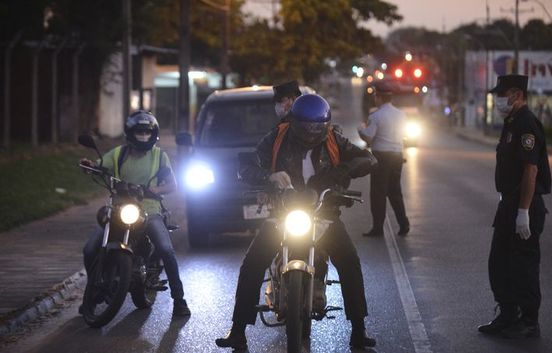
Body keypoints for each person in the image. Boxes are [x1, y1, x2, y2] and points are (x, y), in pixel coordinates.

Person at [215, 94, 378, 350]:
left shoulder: (334, 139)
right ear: (294, 122)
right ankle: (237, 330)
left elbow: (368, 159)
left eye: (317, 127)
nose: (311, 132)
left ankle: (358, 329)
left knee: (349, 261)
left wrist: (335, 175)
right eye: (306, 127)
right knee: (252, 263)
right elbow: (245, 167)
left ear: (325, 125)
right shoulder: (277, 137)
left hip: (324, 214)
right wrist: (270, 176)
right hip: (282, 213)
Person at [80, 110, 191, 317]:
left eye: (146, 133)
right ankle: (92, 293)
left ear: (153, 134)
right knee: (89, 249)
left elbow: (172, 184)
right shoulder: (118, 154)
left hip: (149, 210)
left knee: (166, 249)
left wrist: (152, 190)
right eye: (139, 132)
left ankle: (179, 300)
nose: (143, 136)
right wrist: (91, 166)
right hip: (118, 208)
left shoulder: (160, 156)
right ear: (130, 133)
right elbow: (100, 167)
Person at [478, 75, 551, 338]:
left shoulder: (527, 124)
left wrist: (523, 212)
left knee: (524, 266)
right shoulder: (511, 123)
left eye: (502, 93)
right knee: (499, 262)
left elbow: (530, 171)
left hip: (526, 206)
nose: (498, 99)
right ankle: (508, 314)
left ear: (517, 94)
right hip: (509, 203)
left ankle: (530, 321)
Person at [358, 80, 410, 237]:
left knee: (378, 193)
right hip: (397, 156)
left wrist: (360, 129)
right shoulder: (401, 115)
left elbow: (368, 137)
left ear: (378, 97)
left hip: (381, 157)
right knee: (395, 191)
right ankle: (403, 224)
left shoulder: (376, 115)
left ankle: (378, 228)